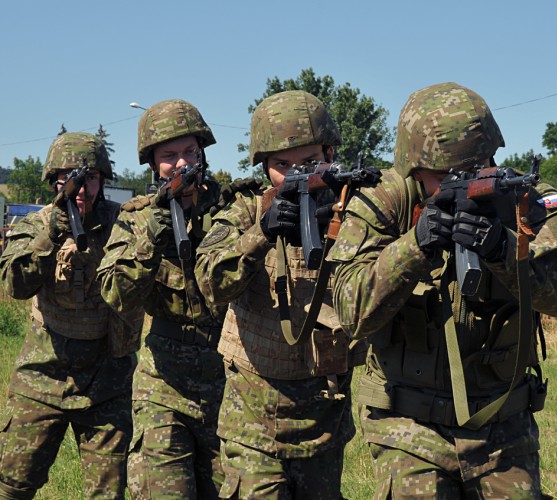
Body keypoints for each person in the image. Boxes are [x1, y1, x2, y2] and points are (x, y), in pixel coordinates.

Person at [329, 82, 557, 498]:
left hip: (502, 424)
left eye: (475, 167)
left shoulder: (528, 201)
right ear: (414, 168)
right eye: (444, 175)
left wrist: (505, 248)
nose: (463, 182)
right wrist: (415, 246)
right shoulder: (385, 202)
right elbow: (351, 311)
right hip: (408, 425)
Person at [195, 90, 371, 498]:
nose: (297, 175)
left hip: (323, 416)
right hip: (252, 421)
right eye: (282, 166)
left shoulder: (353, 208)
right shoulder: (246, 208)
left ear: (330, 154)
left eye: (309, 162)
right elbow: (209, 282)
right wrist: (261, 233)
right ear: (264, 166)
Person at [0, 132, 142, 499]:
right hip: (42, 375)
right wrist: (51, 234)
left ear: (103, 180)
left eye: (90, 177)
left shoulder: (123, 223)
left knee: (108, 492)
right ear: (54, 181)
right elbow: (15, 284)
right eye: (69, 178)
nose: (81, 188)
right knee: (13, 484)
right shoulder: (37, 224)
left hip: (108, 380)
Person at [97, 99, 226, 498]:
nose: (181, 163)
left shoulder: (230, 208)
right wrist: (151, 236)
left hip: (229, 382)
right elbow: (116, 294)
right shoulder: (136, 218)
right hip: (163, 382)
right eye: (169, 156)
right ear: (153, 164)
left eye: (189, 151)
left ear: (202, 152)